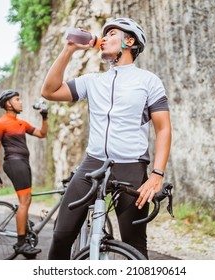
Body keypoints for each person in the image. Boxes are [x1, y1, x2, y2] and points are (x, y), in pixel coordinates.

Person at [41, 17, 172, 259]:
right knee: (61, 236)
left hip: (131, 165)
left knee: (134, 245)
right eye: (105, 34)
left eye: (112, 33)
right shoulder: (93, 81)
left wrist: (157, 174)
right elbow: (49, 91)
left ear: (129, 41)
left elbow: (163, 129)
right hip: (92, 164)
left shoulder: (148, 81)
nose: (104, 38)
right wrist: (68, 49)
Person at [0, 89, 48, 256]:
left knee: (27, 200)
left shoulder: (21, 123)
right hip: (14, 163)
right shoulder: (0, 123)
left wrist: (44, 117)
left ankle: (24, 234)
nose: (21, 102)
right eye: (17, 99)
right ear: (8, 104)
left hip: (24, 162)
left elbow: (42, 134)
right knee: (24, 201)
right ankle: (21, 243)